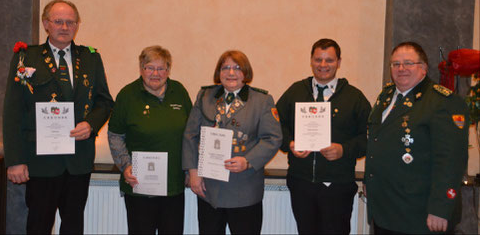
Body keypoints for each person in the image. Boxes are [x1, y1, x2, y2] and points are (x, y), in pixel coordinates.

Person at [3, 0, 114, 234]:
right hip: (40, 162)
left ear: (77, 25)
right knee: (39, 225)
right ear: (46, 24)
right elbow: (13, 111)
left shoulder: (90, 58)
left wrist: (91, 124)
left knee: (74, 226)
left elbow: (104, 101)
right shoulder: (26, 57)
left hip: (78, 160)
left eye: (70, 22)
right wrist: (14, 159)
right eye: (58, 21)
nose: (65, 27)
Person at [365, 41, 469, 234]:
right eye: (395, 64)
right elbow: (378, 142)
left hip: (420, 215)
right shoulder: (386, 96)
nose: (401, 68)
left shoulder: (442, 102)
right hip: (385, 211)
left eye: (408, 63)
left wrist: (440, 209)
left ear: (423, 68)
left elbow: (450, 161)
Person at [276, 38, 371, 234]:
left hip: (337, 186)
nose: (323, 65)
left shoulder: (355, 97)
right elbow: (275, 126)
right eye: (318, 59)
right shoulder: (295, 91)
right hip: (301, 182)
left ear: (339, 62)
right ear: (311, 60)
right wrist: (290, 144)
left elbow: (369, 138)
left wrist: (344, 150)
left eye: (329, 60)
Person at [182, 50, 282, 234]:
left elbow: (273, 138)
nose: (231, 73)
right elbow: (190, 135)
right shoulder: (205, 97)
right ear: (218, 72)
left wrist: (248, 160)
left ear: (245, 72)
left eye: (237, 68)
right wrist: (193, 172)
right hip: (209, 189)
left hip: (244, 189)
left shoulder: (261, 101)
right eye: (225, 67)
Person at [108, 45, 192, 234]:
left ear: (168, 70)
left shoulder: (179, 91)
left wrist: (190, 170)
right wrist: (125, 165)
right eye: (150, 67)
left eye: (161, 68)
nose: (156, 73)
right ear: (141, 69)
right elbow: (115, 136)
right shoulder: (127, 95)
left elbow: (191, 134)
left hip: (173, 186)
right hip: (139, 186)